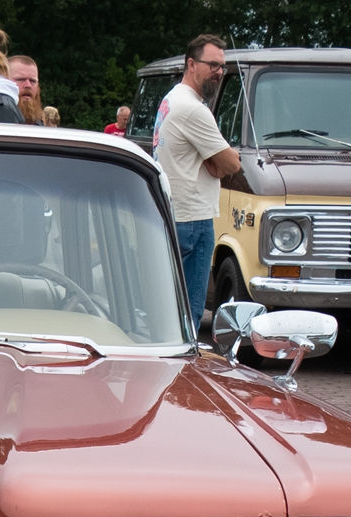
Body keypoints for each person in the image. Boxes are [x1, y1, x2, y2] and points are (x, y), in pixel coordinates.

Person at [153, 34, 240, 330]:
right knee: (189, 315)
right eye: (212, 64)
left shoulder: (170, 99)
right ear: (191, 64)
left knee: (167, 307)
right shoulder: (193, 109)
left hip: (173, 213)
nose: (218, 72)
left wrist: (213, 159)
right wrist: (218, 160)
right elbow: (232, 164)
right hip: (194, 218)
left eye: (222, 66)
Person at [7, 55, 43, 126]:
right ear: (5, 81)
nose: (28, 85)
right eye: (21, 79)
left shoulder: (44, 130)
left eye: (33, 81)